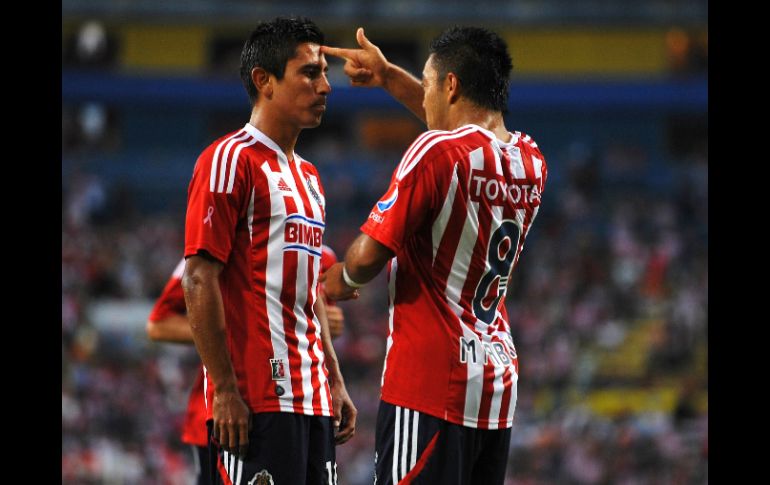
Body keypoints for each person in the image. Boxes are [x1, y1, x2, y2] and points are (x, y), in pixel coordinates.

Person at [322, 26, 548, 484]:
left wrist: (336, 280)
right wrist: (389, 77)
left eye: (427, 85)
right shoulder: (531, 160)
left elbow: (365, 260)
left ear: (451, 85)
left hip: (428, 384)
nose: (423, 96)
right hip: (495, 385)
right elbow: (459, 138)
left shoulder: (434, 151)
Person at [181, 17, 356, 485]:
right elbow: (198, 277)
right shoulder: (229, 159)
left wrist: (335, 378)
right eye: (310, 73)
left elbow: (310, 291)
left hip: (313, 397)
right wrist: (223, 390)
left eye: (325, 74)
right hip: (255, 399)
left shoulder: (311, 177)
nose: (325, 86)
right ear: (265, 81)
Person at [147, 245, 345, 485]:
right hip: (230, 410)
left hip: (299, 406)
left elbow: (314, 331)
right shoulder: (225, 243)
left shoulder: (322, 255)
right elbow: (159, 324)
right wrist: (242, 328)